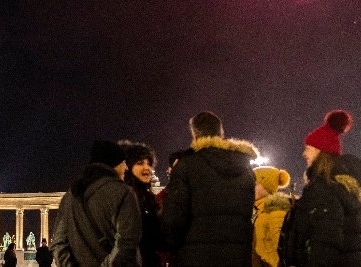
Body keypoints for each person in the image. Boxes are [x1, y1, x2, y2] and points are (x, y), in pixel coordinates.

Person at [280, 110, 361, 267]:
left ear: (320, 153)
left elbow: (324, 246)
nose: (304, 154)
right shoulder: (341, 189)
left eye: (308, 148)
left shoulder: (324, 190)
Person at [162, 111, 260, 266]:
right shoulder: (244, 167)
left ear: (194, 135)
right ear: (220, 134)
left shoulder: (187, 165)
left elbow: (173, 219)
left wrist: (172, 247)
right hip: (237, 257)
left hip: (196, 257)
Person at [51, 140, 142, 266]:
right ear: (114, 163)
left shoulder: (70, 196)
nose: (126, 167)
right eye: (124, 162)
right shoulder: (124, 193)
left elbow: (58, 243)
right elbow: (126, 243)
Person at [119, 140, 164, 267]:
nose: (147, 168)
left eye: (149, 163)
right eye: (140, 163)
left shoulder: (149, 198)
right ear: (128, 166)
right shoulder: (121, 197)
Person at [251, 166, 292, 267]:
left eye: (255, 184)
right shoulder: (259, 209)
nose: (252, 188)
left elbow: (281, 251)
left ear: (266, 186)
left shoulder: (275, 210)